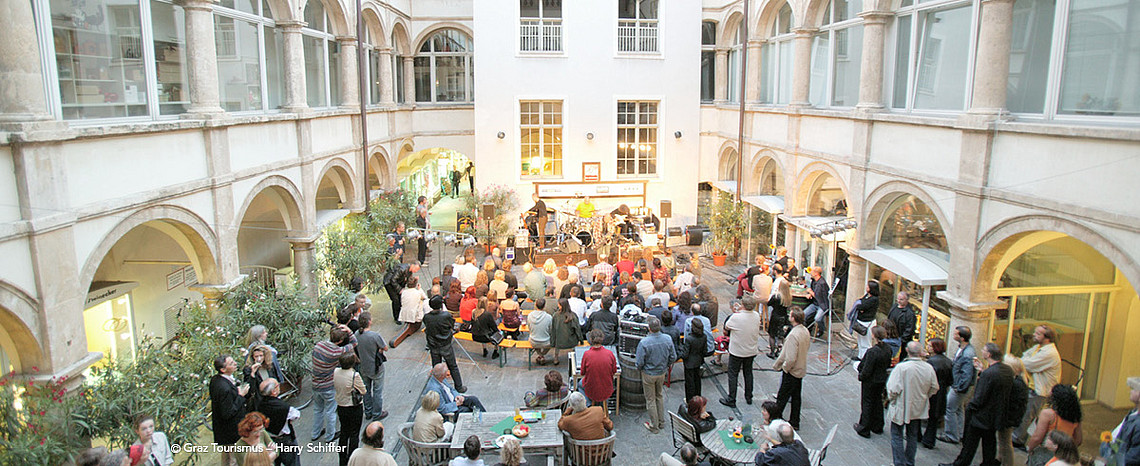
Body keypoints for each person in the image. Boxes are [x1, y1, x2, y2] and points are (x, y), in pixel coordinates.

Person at [940, 343, 1013, 466]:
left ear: (989, 354)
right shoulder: (1007, 370)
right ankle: (987, 463)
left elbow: (980, 396)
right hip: (995, 415)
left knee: (970, 444)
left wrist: (971, 407)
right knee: (989, 443)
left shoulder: (989, 374)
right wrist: (983, 370)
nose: (982, 351)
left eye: (984, 350)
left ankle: (961, 463)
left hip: (980, 416)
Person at [887, 341, 940, 466]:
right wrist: (925, 396)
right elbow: (934, 387)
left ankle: (899, 463)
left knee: (897, 435)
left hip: (901, 404)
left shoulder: (902, 368)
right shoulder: (928, 368)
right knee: (912, 435)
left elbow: (893, 389)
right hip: (918, 406)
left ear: (907, 350)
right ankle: (910, 461)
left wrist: (892, 400)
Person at [1013, 325, 1063, 449]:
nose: (1034, 335)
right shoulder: (1038, 347)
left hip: (1039, 391)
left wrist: (1021, 363)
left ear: (1047, 338)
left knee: (1027, 415)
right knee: (1025, 412)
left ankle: (1018, 440)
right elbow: (1024, 358)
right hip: (1032, 387)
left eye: (1038, 334)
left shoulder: (1049, 353)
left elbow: (1027, 364)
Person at [312, 325, 358, 443]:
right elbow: (354, 343)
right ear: (341, 341)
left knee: (318, 409)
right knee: (330, 411)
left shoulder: (319, 346)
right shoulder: (337, 352)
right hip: (328, 386)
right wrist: (349, 331)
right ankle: (329, 436)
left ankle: (315, 433)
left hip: (315, 384)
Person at [719, 295, 762, 408]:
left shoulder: (736, 317)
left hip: (737, 351)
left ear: (743, 305)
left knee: (733, 374)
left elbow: (727, 327)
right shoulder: (757, 316)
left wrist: (737, 311)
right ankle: (749, 397)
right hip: (750, 350)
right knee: (748, 373)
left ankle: (732, 398)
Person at [636, 315, 677, 434]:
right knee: (659, 396)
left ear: (649, 328)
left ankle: (654, 425)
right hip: (661, 372)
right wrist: (665, 366)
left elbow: (639, 362)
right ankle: (662, 421)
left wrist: (641, 369)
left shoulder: (644, 342)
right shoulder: (668, 339)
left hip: (649, 374)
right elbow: (673, 356)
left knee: (650, 399)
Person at [1025, 384, 1083, 466]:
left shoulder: (1048, 414)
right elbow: (1078, 440)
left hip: (1045, 455)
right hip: (1063, 456)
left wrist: (1029, 448)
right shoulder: (1076, 417)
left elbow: (1037, 438)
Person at [939, 326, 977, 445]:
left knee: (950, 408)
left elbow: (967, 373)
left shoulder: (967, 354)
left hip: (959, 386)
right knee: (959, 409)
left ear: (961, 337)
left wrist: (959, 387)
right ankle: (959, 433)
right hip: (959, 384)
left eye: (956, 334)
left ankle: (951, 435)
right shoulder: (964, 349)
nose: (953, 336)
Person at [773, 308, 810, 430]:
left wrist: (784, 367)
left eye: (791, 315)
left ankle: (775, 421)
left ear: (793, 318)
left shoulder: (793, 335)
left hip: (792, 371)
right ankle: (795, 421)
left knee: (782, 397)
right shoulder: (804, 330)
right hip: (800, 369)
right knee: (796, 397)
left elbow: (790, 358)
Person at [423, 295, 467, 394]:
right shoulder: (446, 315)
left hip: (433, 345)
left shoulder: (427, 317)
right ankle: (459, 387)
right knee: (452, 366)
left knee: (436, 367)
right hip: (445, 344)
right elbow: (452, 325)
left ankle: (438, 386)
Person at [209, 354, 249, 460]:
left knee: (227, 458)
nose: (235, 363)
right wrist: (240, 396)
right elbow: (228, 412)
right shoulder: (223, 388)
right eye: (231, 363)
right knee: (234, 460)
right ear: (223, 369)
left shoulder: (216, 379)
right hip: (231, 433)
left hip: (226, 433)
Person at [253, 379, 301, 466]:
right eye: (277, 385)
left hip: (270, 440)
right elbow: (296, 415)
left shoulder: (260, 405)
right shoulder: (283, 407)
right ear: (274, 391)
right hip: (285, 440)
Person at [855, 326, 891, 438]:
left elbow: (866, 368)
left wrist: (861, 376)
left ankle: (864, 427)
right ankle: (877, 425)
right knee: (877, 401)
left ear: (874, 336)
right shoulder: (888, 348)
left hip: (870, 381)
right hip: (881, 379)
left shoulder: (872, 352)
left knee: (867, 403)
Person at [354, 312, 388, 421]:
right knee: (377, 391)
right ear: (369, 322)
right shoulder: (375, 336)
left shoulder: (356, 335)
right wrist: (380, 349)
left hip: (363, 366)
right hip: (376, 367)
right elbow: (385, 347)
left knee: (366, 390)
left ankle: (368, 411)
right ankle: (377, 413)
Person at [333, 353, 366, 465]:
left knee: (344, 432)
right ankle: (352, 459)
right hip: (354, 407)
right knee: (354, 434)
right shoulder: (354, 375)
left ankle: (342, 459)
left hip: (341, 406)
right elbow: (363, 390)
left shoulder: (336, 372)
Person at [922, 337, 954, 449]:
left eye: (930, 346)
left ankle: (921, 437)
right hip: (942, 392)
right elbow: (951, 380)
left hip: (931, 391)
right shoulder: (948, 361)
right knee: (934, 418)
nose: (928, 347)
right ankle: (929, 439)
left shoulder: (931, 362)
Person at [1000, 355, 1030, 466]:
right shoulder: (1019, 381)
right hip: (1011, 418)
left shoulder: (1016, 384)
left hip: (1009, 419)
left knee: (1006, 442)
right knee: (1004, 442)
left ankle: (1007, 463)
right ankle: (1001, 460)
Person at [1106, 376, 1140, 465]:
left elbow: (1133, 457)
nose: (1130, 391)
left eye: (1133, 389)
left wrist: (1111, 460)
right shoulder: (1133, 413)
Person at [580, 329, 617, 407]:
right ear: (602, 339)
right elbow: (614, 371)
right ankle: (602, 406)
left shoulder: (587, 354)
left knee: (579, 384)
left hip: (591, 390)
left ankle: (589, 405)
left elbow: (582, 372)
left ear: (590, 339)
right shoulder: (610, 354)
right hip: (607, 389)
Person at [391, 275, 427, 348]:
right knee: (422, 302)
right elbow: (425, 297)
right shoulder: (418, 292)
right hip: (414, 315)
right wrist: (420, 289)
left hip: (405, 314)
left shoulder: (404, 292)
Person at [851, 280, 881, 360]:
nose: (866, 287)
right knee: (860, 341)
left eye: (868, 286)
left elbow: (861, 306)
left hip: (867, 322)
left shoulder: (874, 299)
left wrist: (860, 306)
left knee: (866, 343)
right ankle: (860, 356)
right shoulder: (868, 296)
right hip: (862, 321)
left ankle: (865, 359)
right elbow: (860, 302)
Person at [680, 317, 708, 401]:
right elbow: (705, 350)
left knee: (689, 383)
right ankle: (698, 397)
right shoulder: (704, 336)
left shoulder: (689, 338)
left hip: (689, 363)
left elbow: (685, 354)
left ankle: (690, 400)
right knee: (697, 380)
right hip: (698, 361)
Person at [551, 298, 585, 365]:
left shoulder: (555, 316)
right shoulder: (573, 315)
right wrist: (581, 340)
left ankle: (556, 357)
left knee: (558, 335)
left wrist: (552, 342)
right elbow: (577, 330)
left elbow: (553, 330)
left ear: (561, 306)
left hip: (559, 342)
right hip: (571, 342)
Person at [766, 276, 792, 359]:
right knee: (781, 335)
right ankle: (779, 351)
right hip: (784, 316)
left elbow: (769, 303)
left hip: (775, 316)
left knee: (772, 334)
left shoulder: (776, 296)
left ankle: (772, 352)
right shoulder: (789, 297)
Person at [242, 345, 274, 412]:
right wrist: (253, 373)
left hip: (271, 397)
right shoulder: (248, 369)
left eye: (261, 356)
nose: (259, 359)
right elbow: (249, 389)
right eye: (256, 356)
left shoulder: (269, 366)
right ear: (253, 357)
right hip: (259, 401)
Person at [887, 292, 917, 359]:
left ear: (907, 300)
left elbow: (910, 329)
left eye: (901, 299)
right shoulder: (895, 306)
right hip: (892, 336)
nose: (899, 301)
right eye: (898, 299)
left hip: (901, 339)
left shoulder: (909, 314)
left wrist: (901, 340)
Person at [803, 268, 830, 337]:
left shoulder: (822, 283)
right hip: (815, 303)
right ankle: (806, 329)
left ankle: (822, 330)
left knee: (817, 318)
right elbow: (813, 291)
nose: (810, 273)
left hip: (822, 305)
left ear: (816, 273)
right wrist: (810, 294)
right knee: (803, 314)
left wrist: (810, 292)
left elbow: (818, 296)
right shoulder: (814, 281)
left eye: (812, 272)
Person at [527, 297, 554, 365]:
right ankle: (542, 355)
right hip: (546, 342)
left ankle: (540, 355)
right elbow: (551, 330)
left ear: (535, 305)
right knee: (553, 341)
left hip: (533, 341)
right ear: (544, 306)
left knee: (534, 338)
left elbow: (529, 328)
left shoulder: (530, 315)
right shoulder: (548, 317)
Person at [415, 195, 429, 264]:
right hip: (421, 235)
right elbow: (419, 227)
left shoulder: (424, 219)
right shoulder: (419, 219)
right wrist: (421, 234)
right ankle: (421, 261)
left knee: (424, 247)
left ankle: (423, 260)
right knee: (421, 247)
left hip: (424, 233)